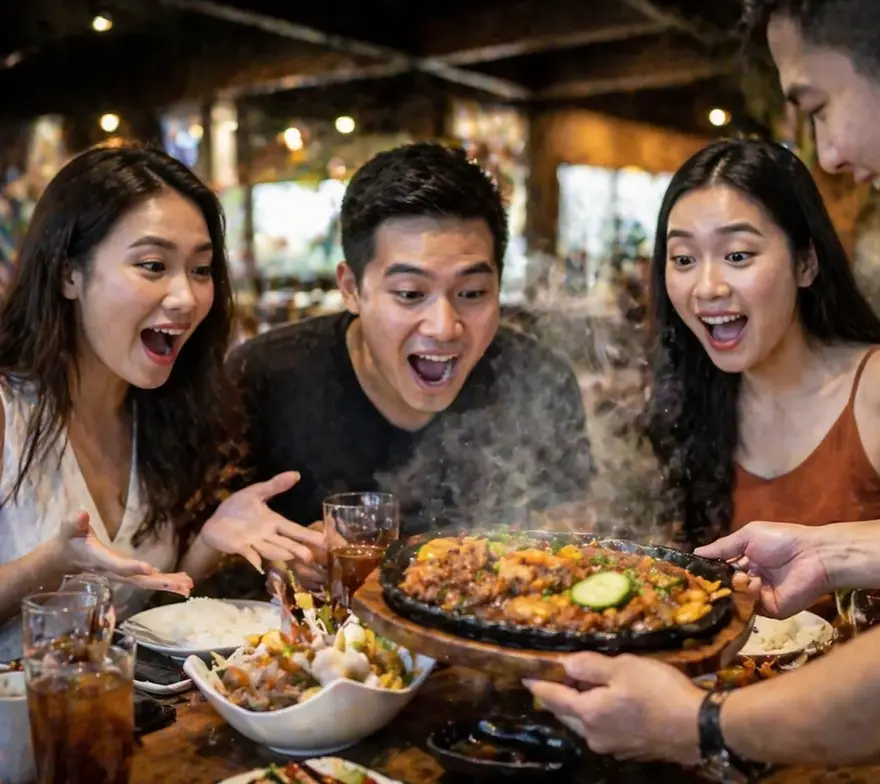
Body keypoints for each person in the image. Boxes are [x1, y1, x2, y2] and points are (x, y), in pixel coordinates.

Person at [527, 0, 880, 768]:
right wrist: (827, 553)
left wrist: (699, 725)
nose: (831, 155)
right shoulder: (697, 400)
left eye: (819, 106)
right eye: (682, 258)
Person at [0, 142, 322, 660]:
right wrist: (47, 567)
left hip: (121, 725)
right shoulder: (8, 412)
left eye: (200, 270)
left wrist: (207, 546)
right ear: (68, 274)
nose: (186, 297)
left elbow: (140, 620)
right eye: (153, 265)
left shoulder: (164, 414)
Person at [228, 142, 594, 589]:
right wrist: (279, 561)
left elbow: (572, 531)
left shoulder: (539, 377)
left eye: (472, 293)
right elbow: (210, 558)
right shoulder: (264, 375)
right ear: (351, 288)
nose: (443, 327)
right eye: (409, 293)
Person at [641, 139, 880, 561]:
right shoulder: (691, 401)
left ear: (805, 263)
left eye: (737, 255)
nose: (706, 287)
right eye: (683, 259)